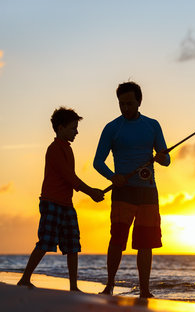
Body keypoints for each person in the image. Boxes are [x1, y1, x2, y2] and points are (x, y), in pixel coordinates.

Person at [94, 81, 170, 298]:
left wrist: (162, 157)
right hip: (122, 192)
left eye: (129, 103)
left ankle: (145, 290)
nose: (125, 108)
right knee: (117, 240)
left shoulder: (152, 125)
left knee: (146, 244)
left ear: (139, 102)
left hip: (148, 192)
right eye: (121, 104)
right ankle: (109, 285)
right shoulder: (112, 128)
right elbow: (98, 162)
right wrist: (112, 177)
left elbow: (167, 161)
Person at [18, 107, 105, 291]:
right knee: (45, 242)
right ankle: (25, 278)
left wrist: (90, 192)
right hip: (51, 202)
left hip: (66, 204)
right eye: (73, 128)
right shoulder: (55, 149)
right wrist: (91, 192)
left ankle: (73, 286)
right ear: (60, 128)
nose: (77, 132)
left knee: (73, 245)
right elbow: (69, 177)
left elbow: (70, 178)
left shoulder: (67, 149)